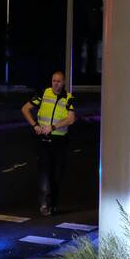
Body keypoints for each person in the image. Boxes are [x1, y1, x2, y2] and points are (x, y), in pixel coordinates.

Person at [21, 70, 76, 216]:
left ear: (63, 82)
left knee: (57, 174)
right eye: (53, 81)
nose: (55, 84)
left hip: (60, 140)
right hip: (44, 140)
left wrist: (53, 127)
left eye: (58, 81)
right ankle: (44, 205)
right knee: (45, 172)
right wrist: (35, 126)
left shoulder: (68, 98)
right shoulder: (44, 94)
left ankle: (53, 204)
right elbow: (25, 109)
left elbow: (71, 119)